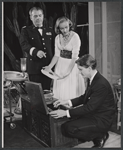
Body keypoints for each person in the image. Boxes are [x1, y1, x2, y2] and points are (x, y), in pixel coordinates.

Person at [49, 54, 116, 148]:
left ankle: (100, 136)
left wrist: (65, 112)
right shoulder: (92, 78)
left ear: (89, 68)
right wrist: (66, 101)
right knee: (68, 123)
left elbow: (89, 107)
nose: (79, 72)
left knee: (68, 128)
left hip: (102, 119)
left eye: (81, 69)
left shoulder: (100, 84)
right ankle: (95, 136)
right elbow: (84, 97)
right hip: (94, 114)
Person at [43, 16, 85, 100]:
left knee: (70, 91)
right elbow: (56, 55)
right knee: (60, 91)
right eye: (62, 28)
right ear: (58, 28)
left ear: (69, 25)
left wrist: (67, 72)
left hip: (72, 66)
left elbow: (74, 57)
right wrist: (49, 67)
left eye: (66, 27)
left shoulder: (75, 37)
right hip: (60, 65)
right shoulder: (57, 38)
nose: (65, 30)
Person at [20, 7, 54, 90]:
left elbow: (54, 48)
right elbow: (24, 44)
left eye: (40, 15)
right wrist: (36, 52)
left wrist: (52, 66)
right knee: (36, 94)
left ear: (43, 16)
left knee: (47, 93)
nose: (38, 18)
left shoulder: (50, 30)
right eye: (35, 16)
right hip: (34, 68)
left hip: (47, 67)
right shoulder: (26, 30)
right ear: (31, 17)